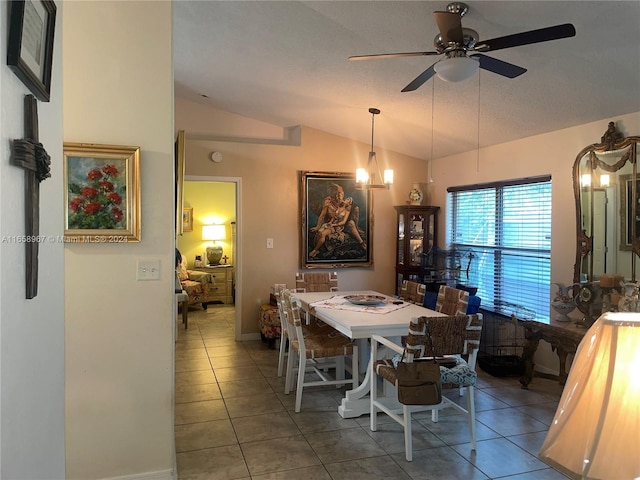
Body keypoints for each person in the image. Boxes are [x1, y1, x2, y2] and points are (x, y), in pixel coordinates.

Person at [309, 183, 366, 258]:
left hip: (339, 226)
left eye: (341, 193)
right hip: (332, 225)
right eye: (337, 193)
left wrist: (334, 224)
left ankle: (361, 242)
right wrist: (320, 226)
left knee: (351, 223)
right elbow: (325, 215)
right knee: (320, 233)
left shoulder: (347, 208)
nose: (340, 195)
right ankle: (315, 250)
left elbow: (345, 220)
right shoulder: (331, 203)